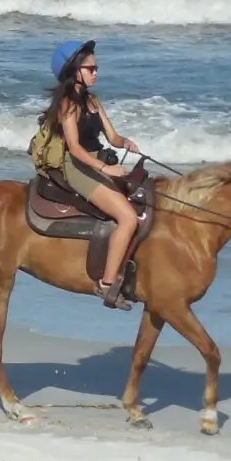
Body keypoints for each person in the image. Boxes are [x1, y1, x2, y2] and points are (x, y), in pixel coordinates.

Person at [44, 39, 143, 309]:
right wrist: (105, 168)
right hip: (78, 166)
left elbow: (112, 136)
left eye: (96, 68)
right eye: (90, 68)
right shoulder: (68, 105)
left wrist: (125, 143)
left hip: (97, 159)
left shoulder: (93, 101)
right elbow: (75, 149)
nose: (96, 72)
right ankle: (107, 284)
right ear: (74, 71)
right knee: (127, 217)